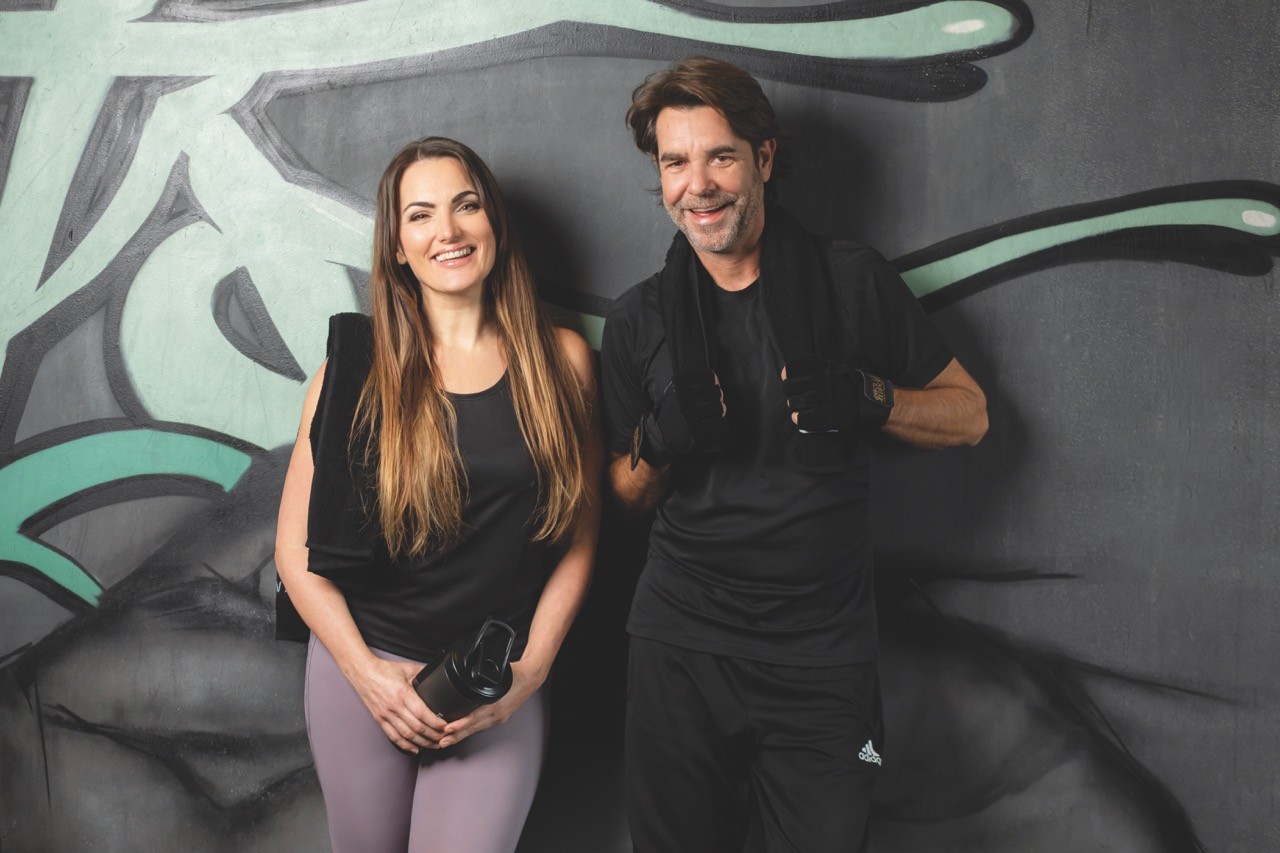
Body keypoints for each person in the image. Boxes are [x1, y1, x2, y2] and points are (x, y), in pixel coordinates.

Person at [600, 57, 988, 852]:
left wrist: (873, 398)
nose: (698, 185)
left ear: (764, 158)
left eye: (721, 156)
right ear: (658, 174)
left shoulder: (853, 282)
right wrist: (659, 441)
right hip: (681, 647)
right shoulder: (640, 317)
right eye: (676, 162)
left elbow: (972, 415)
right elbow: (622, 496)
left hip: (822, 660)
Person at [275, 137, 601, 853]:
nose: (447, 231)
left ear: (494, 223)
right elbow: (294, 555)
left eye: (465, 205)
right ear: (397, 246)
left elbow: (578, 539)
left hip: (494, 680)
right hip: (363, 670)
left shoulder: (563, 363)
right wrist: (367, 677)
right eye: (420, 215)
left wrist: (530, 672)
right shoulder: (352, 375)